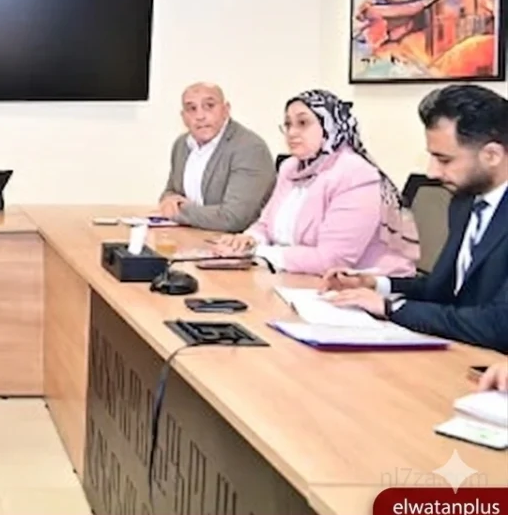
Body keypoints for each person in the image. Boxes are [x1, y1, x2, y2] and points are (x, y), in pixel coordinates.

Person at [323, 84, 508, 353]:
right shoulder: (465, 202)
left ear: (492, 155)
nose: (432, 172)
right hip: (459, 351)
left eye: (444, 160)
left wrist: (392, 307)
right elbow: (443, 290)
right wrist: (377, 284)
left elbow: (499, 325)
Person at [214, 89, 418, 277]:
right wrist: (247, 240)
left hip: (360, 286)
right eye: (288, 124)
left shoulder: (355, 174)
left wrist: (258, 253)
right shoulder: (290, 167)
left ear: (329, 126)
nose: (292, 132)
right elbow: (265, 225)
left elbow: (332, 260)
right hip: (296, 279)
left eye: (302, 123)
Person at [158, 83, 276, 232]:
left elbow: (233, 218)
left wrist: (178, 210)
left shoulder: (250, 148)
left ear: (226, 110)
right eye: (192, 109)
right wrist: (168, 200)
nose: (200, 116)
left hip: (236, 241)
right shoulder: (182, 145)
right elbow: (170, 193)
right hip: (193, 235)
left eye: (209, 106)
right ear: (183, 117)